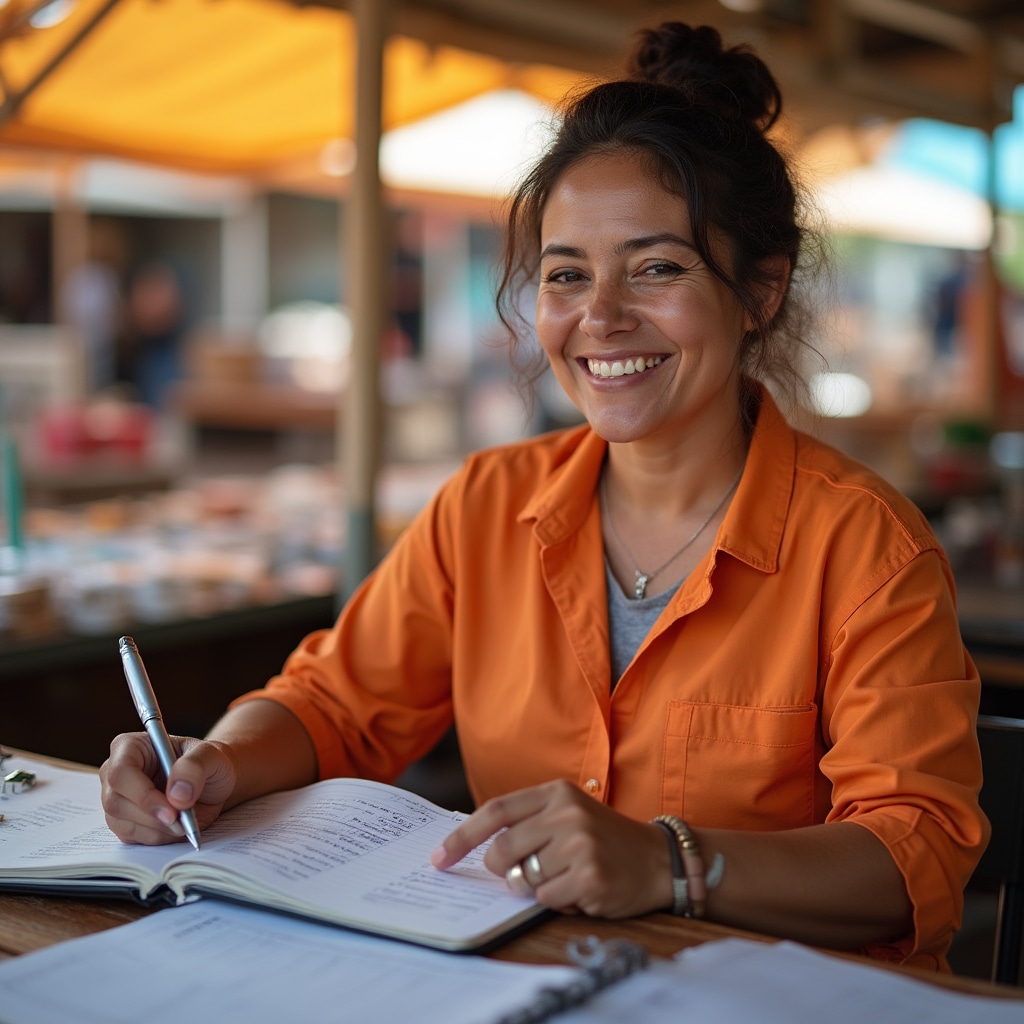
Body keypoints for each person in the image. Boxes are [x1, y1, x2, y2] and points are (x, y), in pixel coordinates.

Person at [100, 22, 988, 971]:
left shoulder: (867, 545)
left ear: (761, 290)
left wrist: (669, 863)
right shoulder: (485, 506)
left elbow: (915, 853)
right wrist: (219, 762)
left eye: (658, 268)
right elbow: (335, 706)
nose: (600, 318)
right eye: (567, 274)